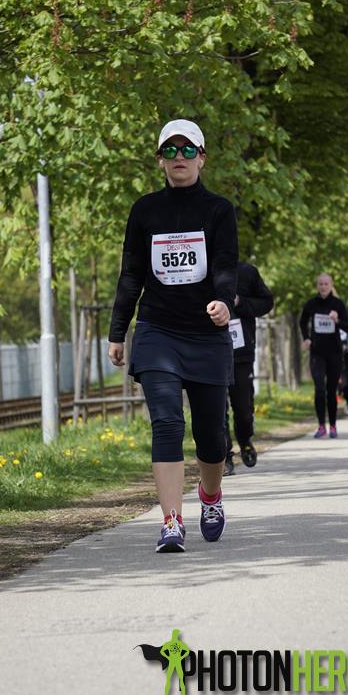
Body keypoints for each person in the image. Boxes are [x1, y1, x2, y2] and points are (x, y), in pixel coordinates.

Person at [108, 119, 238, 553]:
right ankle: (170, 522)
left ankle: (210, 496)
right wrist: (117, 332)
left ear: (202, 158)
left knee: (212, 436)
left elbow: (226, 265)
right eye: (170, 150)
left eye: (187, 150)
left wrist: (224, 302)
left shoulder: (219, 210)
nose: (178, 157)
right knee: (166, 422)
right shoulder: (144, 210)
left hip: (206, 334)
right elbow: (131, 275)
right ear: (160, 160)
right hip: (157, 330)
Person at [224, 261, 274, 476]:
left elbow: (267, 302)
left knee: (243, 409)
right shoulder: (200, 270)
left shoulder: (247, 272)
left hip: (241, 353)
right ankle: (224, 456)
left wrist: (240, 302)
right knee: (216, 410)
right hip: (211, 353)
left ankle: (245, 440)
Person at [299, 273, 348, 438]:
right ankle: (321, 425)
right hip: (317, 353)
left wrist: (337, 321)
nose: (323, 287)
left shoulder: (338, 304)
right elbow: (302, 321)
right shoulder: (312, 304)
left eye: (326, 284)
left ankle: (333, 425)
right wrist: (306, 338)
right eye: (320, 284)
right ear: (317, 285)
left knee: (331, 390)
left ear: (331, 285)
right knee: (319, 389)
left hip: (334, 353)